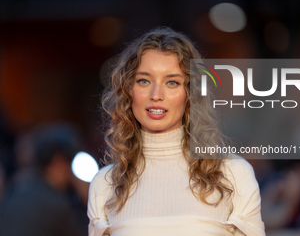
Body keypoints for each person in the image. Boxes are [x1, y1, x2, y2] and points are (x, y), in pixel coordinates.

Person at [87, 27, 265, 236]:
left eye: (172, 82)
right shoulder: (104, 185)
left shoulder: (233, 175)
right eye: (144, 81)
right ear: (128, 91)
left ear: (190, 94)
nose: (156, 94)